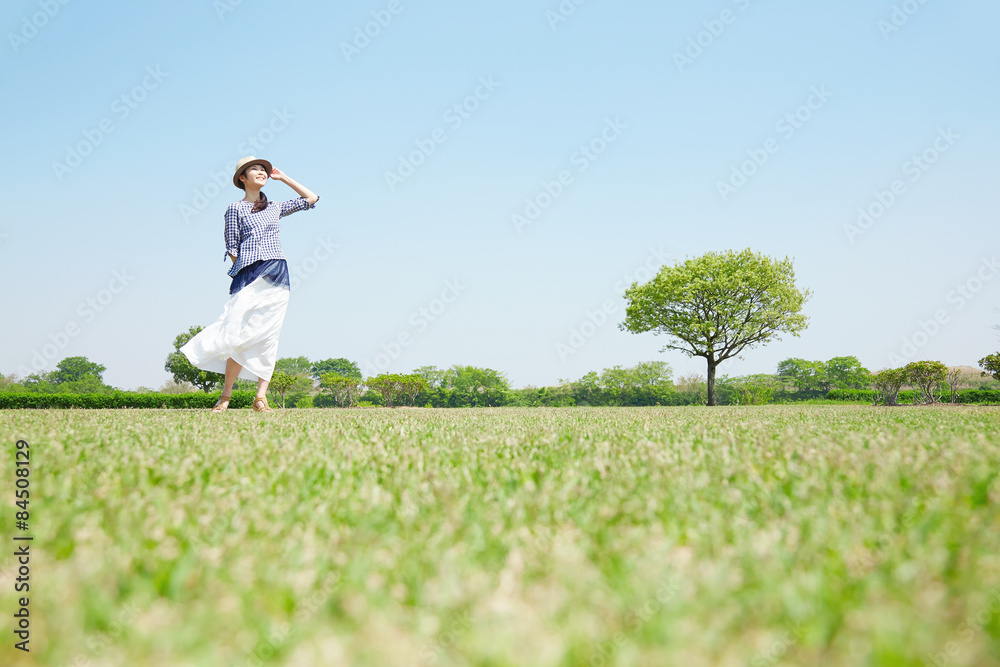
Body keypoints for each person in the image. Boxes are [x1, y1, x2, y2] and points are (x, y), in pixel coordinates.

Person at [181, 156, 319, 412]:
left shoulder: (275, 206)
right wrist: (246, 268)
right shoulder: (235, 209)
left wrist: (284, 177)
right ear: (242, 179)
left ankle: (260, 398)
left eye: (263, 170)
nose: (261, 172)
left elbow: (311, 198)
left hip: (277, 272)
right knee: (237, 332)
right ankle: (225, 396)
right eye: (254, 169)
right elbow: (231, 246)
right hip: (248, 273)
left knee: (268, 336)